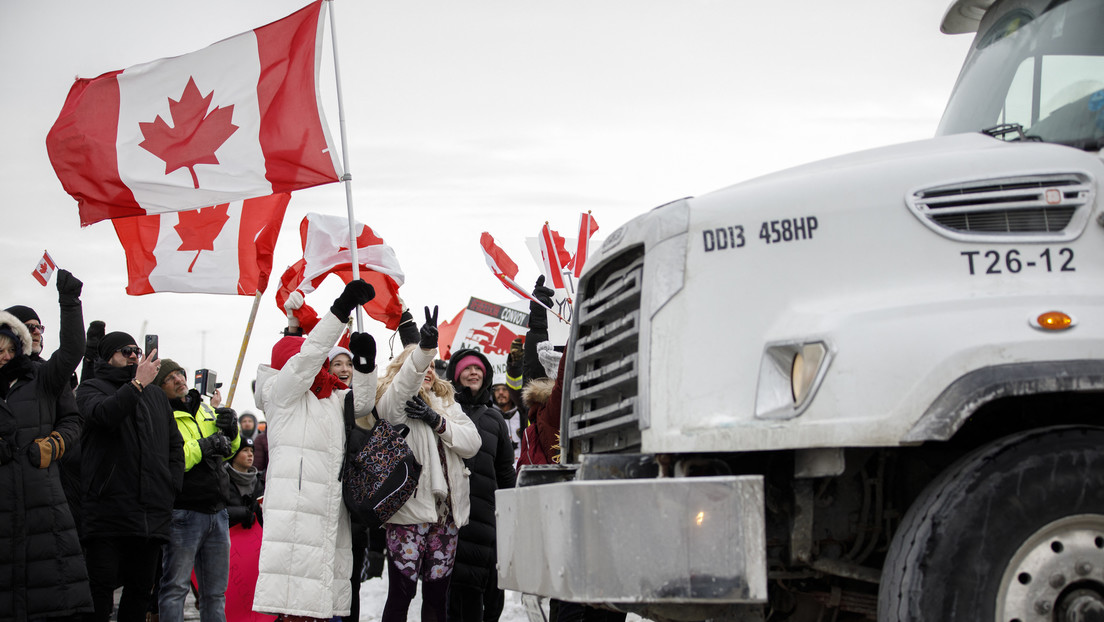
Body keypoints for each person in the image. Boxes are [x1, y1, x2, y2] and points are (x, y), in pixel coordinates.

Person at [252, 280, 378, 621]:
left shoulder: (329, 396)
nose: (314, 365)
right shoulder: (280, 393)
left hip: (329, 507)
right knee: (296, 604)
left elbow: (362, 403)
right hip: (296, 509)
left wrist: (365, 365)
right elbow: (308, 358)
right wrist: (340, 309)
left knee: (322, 603)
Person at [375, 307, 481, 622]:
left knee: (437, 599)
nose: (429, 370)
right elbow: (405, 385)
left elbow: (472, 443)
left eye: (433, 366)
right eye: (423, 365)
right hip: (409, 514)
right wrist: (423, 351)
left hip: (447, 516)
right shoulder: (394, 403)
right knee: (401, 595)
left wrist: (437, 421)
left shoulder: (447, 404)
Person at [0, 270, 94, 620]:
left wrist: (69, 303)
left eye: (9, 349)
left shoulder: (42, 378)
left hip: (42, 500)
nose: (3, 355)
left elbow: (71, 353)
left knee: (50, 594)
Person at [76, 331, 184, 622]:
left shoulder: (155, 395)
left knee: (139, 591)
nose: (134, 356)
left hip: (150, 512)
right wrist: (136, 384)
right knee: (100, 591)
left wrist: (170, 486)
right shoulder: (91, 388)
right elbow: (104, 415)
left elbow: (175, 445)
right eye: (126, 351)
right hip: (107, 512)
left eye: (136, 351)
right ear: (108, 356)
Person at [154, 359, 240, 622]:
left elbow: (229, 451)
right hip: (183, 512)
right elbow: (173, 461)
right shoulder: (161, 415)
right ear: (160, 388)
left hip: (217, 511)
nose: (178, 380)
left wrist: (232, 430)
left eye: (179, 373)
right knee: (175, 588)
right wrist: (205, 446)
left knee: (215, 593)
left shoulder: (204, 409)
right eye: (169, 378)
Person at [444, 348, 516, 622]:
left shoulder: (495, 419)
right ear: (455, 375)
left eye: (478, 369)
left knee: (482, 589)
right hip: (449, 514)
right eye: (467, 368)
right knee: (450, 590)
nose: (473, 373)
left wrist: (511, 512)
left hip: (485, 517)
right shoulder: (444, 412)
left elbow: (505, 471)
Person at [225, 436, 264, 529]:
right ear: (234, 455)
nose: (250, 454)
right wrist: (241, 513)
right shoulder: (223, 479)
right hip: (230, 533)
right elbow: (217, 511)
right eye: (245, 450)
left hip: (256, 534)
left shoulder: (260, 481)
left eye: (252, 451)